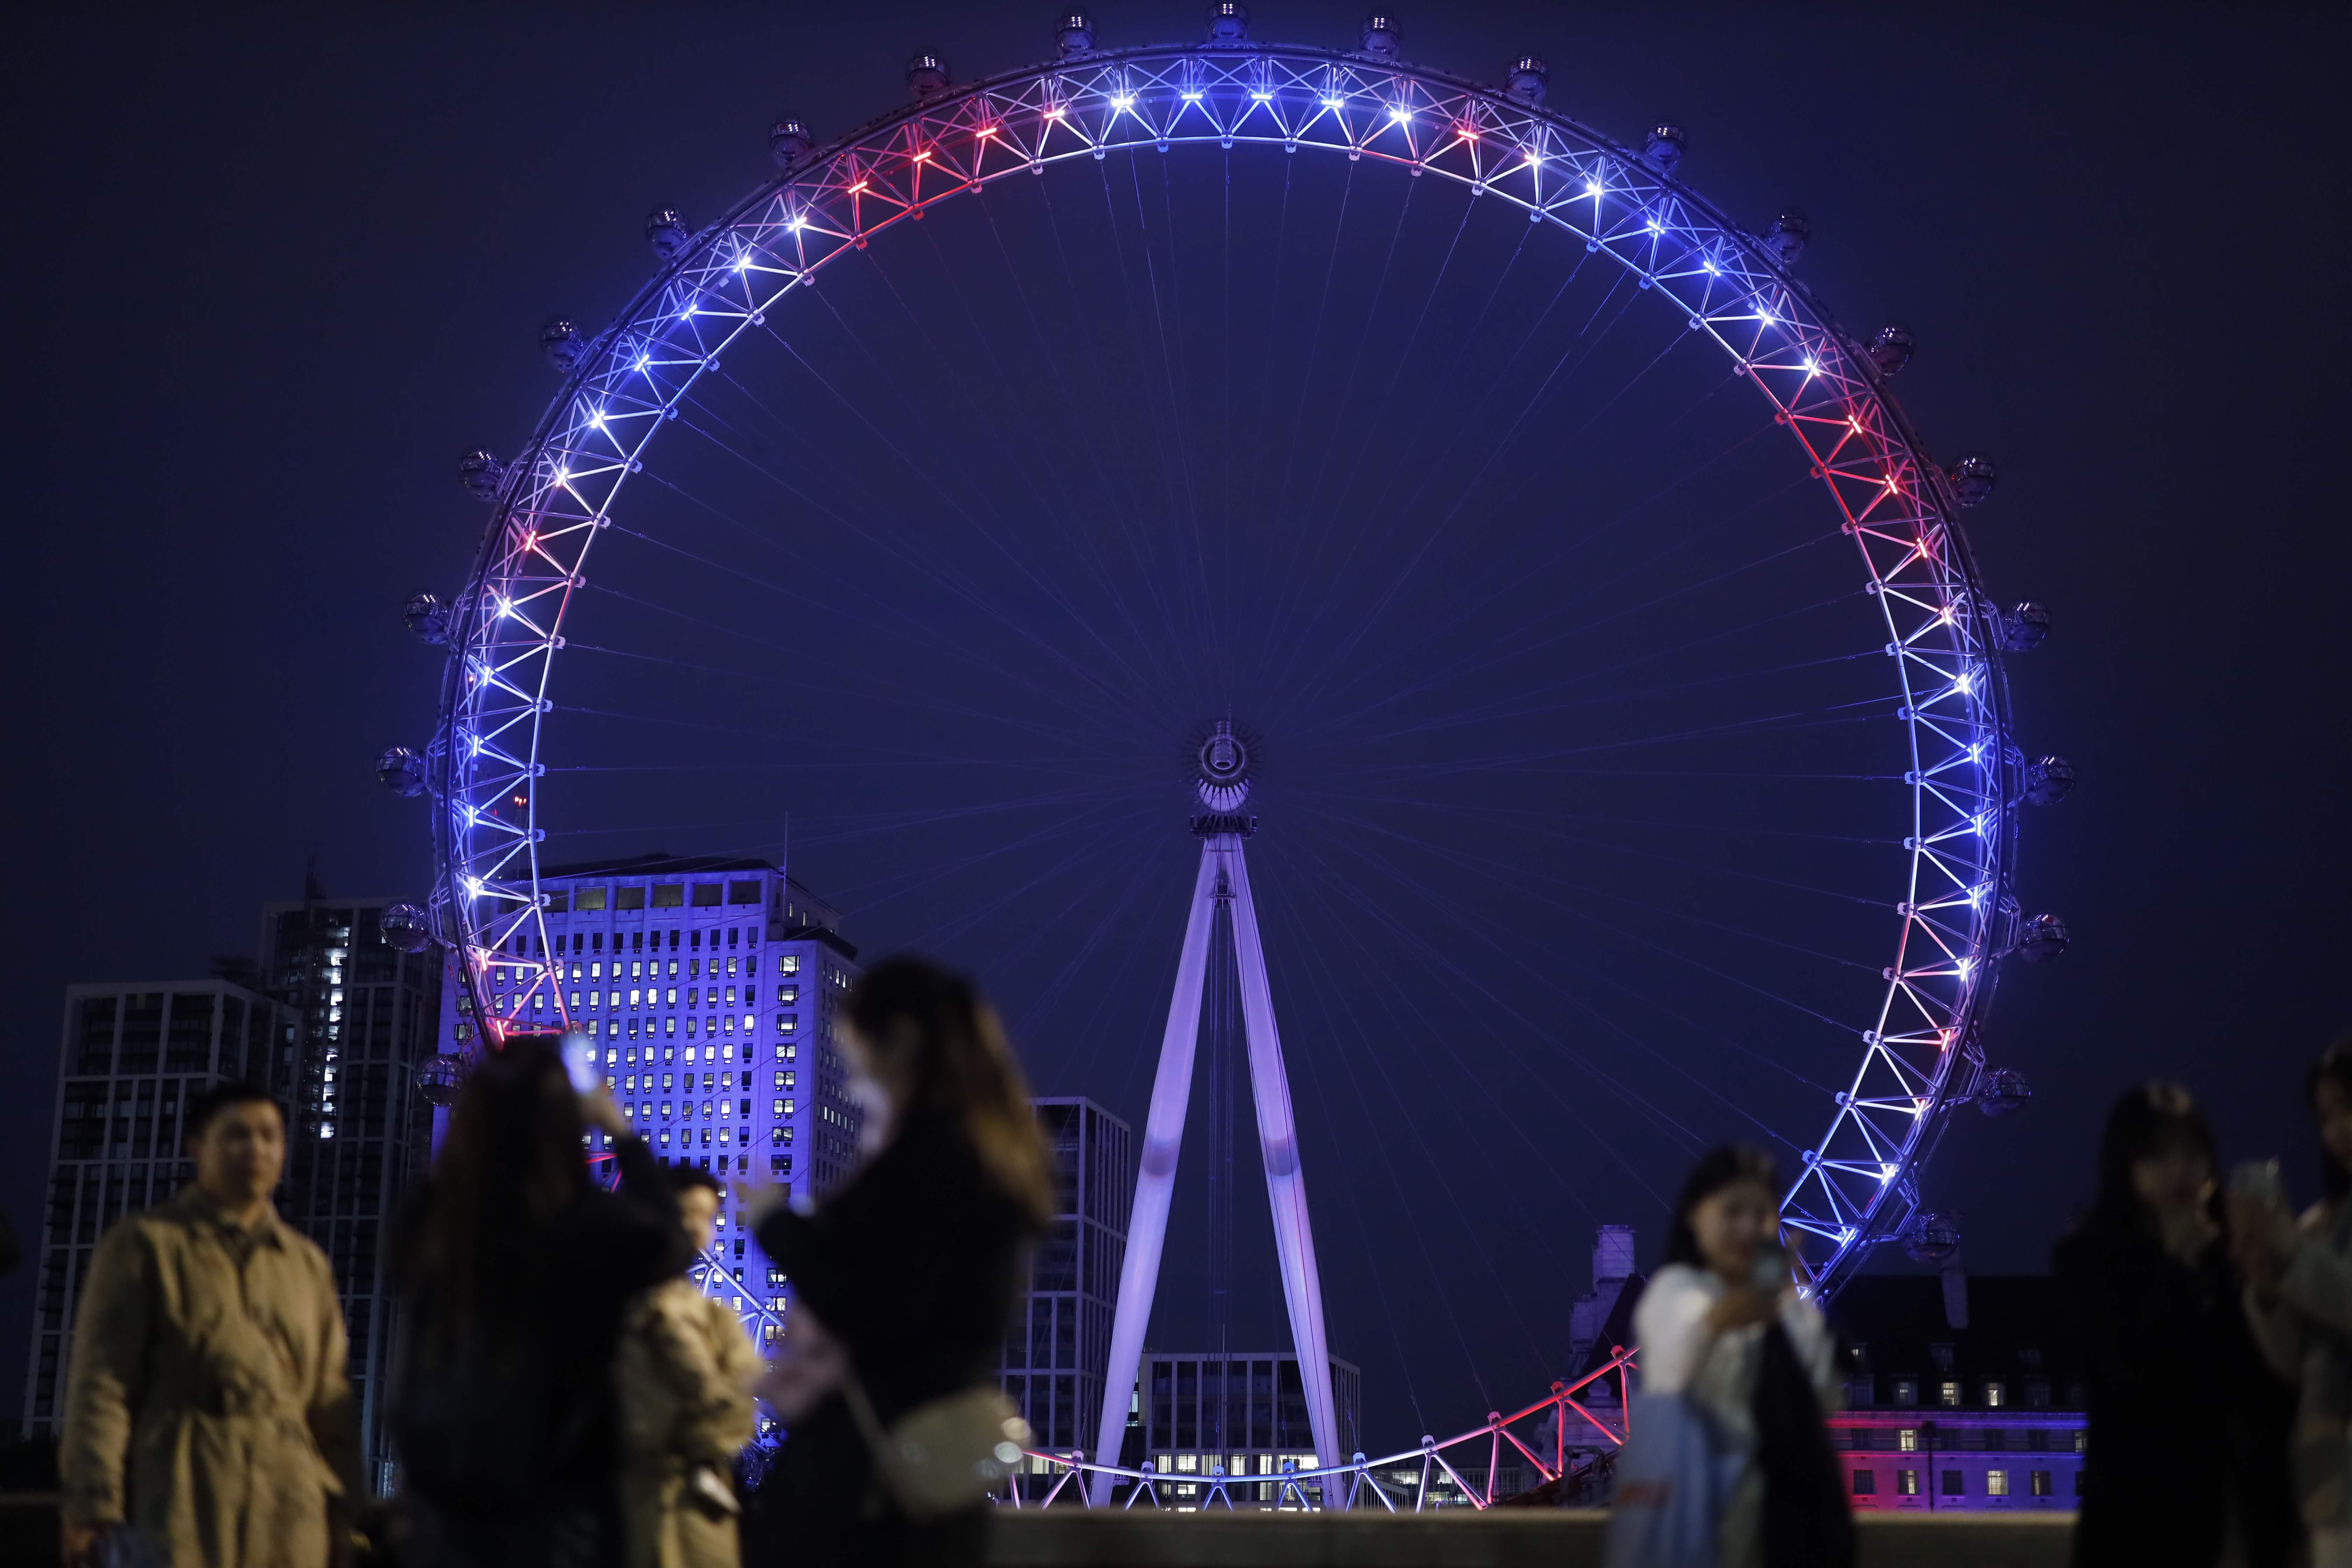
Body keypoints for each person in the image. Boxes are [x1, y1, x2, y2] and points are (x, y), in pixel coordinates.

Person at [742, 957, 1051, 1568]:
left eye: (856, 1053)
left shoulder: (929, 1157)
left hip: (871, 1477)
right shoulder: (994, 1151)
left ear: (902, 1040)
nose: (855, 1079)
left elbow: (871, 1306)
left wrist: (776, 1224)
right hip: (933, 1468)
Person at [388, 1034, 691, 1568]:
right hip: (559, 1509)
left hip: (443, 1511)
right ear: (565, 1125)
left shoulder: (429, 1222)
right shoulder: (583, 1227)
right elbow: (668, 1239)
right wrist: (618, 1129)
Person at [57, 1081, 360, 1568]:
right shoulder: (145, 1246)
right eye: (237, 1134)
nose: (256, 1149)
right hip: (179, 1488)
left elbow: (330, 1403)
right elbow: (102, 1387)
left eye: (270, 1136)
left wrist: (349, 1515)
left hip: (289, 1501)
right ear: (197, 1145)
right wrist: (93, 1505)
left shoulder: (307, 1266)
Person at [2055, 1082, 2296, 1568]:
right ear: (2126, 1164)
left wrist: (2264, 1281)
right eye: (2159, 1156)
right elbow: (2131, 1370)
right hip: (2138, 1519)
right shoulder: (2086, 1260)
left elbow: (2266, 1386)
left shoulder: (2230, 1256)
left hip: (2232, 1512)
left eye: (2192, 1153)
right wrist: (2177, 1263)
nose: (2179, 1170)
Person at [1623, 1144, 1843, 1568]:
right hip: (1696, 1522)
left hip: (1789, 1526)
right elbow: (1670, 1372)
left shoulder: (1787, 1309)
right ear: (1694, 1216)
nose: (1746, 1228)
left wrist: (1798, 1305)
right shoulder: (1673, 1291)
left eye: (1761, 1214)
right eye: (1732, 1212)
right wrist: (1731, 1315)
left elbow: (1827, 1395)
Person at [2235, 1041, 2352, 1568]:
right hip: (2328, 1482)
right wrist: (2265, 1286)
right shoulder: (2317, 1225)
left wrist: (2291, 1257)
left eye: (2350, 1108)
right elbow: (2290, 1363)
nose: (2339, 1130)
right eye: (2327, 1117)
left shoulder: (2305, 1237)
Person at [615, 1167, 762, 1568]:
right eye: (687, 1213)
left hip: (699, 1510)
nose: (698, 1229)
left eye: (709, 1217)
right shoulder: (613, 1308)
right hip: (625, 1507)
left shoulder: (720, 1320)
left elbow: (738, 1410)